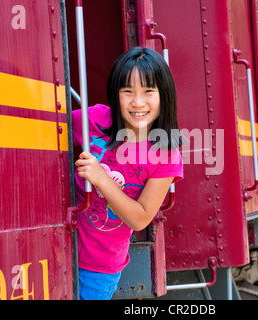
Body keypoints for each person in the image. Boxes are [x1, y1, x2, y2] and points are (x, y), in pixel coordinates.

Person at [72, 47, 184, 300]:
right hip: (55, 249)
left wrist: (101, 178)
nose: (137, 102)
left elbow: (141, 218)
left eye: (148, 91)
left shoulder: (167, 154)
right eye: (128, 91)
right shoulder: (97, 120)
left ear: (164, 96)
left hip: (98, 269)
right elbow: (45, 126)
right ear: (116, 94)